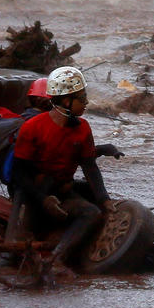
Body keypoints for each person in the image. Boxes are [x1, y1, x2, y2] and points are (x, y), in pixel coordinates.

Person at [7, 66, 112, 268]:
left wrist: (104, 200)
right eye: (82, 98)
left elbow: (90, 167)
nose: (87, 102)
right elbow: (18, 173)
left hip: (61, 191)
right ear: (66, 101)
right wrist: (43, 200)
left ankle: (56, 258)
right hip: (32, 193)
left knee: (91, 213)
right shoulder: (33, 127)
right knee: (12, 254)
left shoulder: (83, 128)